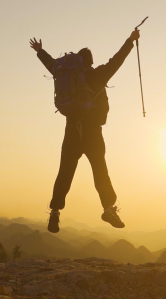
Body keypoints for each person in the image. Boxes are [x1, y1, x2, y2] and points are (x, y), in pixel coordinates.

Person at [29, 28, 141, 233]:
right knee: (100, 171)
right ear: (89, 62)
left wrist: (39, 51)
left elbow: (52, 64)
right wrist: (130, 41)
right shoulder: (98, 75)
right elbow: (117, 60)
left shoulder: (64, 73)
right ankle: (108, 209)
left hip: (72, 130)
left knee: (65, 172)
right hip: (92, 133)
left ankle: (54, 212)